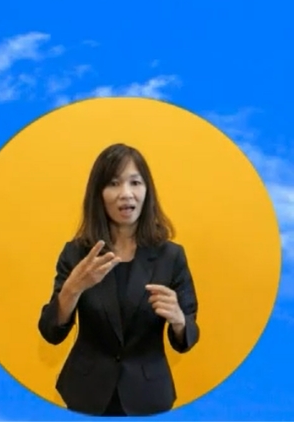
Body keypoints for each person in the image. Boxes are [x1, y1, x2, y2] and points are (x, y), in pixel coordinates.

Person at [38, 144, 199, 417]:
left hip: (148, 395)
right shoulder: (77, 253)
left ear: (147, 192)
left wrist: (179, 320)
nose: (126, 194)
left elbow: (187, 337)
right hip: (85, 393)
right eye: (114, 183)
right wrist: (72, 290)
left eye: (135, 182)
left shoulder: (170, 256)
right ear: (99, 194)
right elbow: (51, 332)